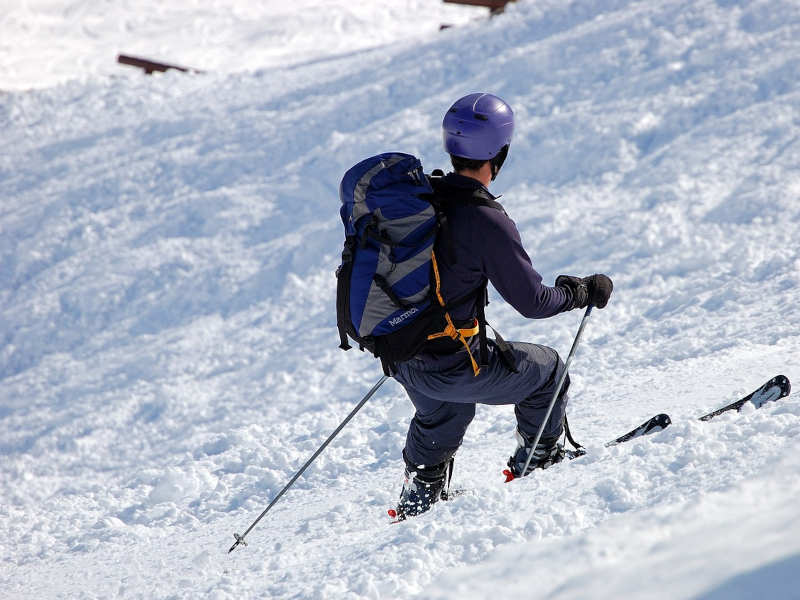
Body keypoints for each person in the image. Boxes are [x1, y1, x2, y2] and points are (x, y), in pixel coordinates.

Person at [390, 93, 613, 519]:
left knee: (446, 407)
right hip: (448, 362)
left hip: (403, 355)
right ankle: (540, 458)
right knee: (547, 370)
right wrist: (579, 292)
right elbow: (533, 302)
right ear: (501, 152)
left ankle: (420, 491)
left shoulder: (422, 202)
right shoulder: (484, 219)